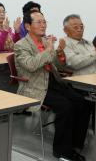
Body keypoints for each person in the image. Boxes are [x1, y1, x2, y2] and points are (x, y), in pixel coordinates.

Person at [14, 10, 90, 161]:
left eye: (44, 22)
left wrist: (60, 53)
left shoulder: (45, 41)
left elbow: (59, 68)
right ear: (28, 26)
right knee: (66, 107)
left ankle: (74, 144)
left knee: (84, 103)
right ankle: (62, 152)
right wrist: (49, 50)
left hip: (53, 82)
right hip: (35, 87)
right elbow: (31, 65)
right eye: (39, 22)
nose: (43, 25)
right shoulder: (21, 45)